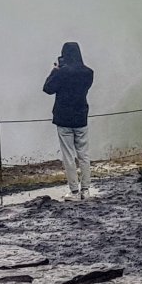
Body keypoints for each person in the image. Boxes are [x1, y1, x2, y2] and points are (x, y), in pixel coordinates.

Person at [43, 41, 96, 200]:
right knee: (84, 155)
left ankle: (73, 191)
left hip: (64, 118)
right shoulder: (88, 73)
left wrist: (55, 70)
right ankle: (85, 190)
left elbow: (47, 89)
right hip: (81, 118)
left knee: (68, 156)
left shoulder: (61, 72)